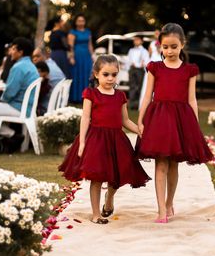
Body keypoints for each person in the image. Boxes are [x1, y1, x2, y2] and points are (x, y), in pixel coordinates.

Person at [59, 54, 149, 224]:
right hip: (97, 140)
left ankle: (109, 200)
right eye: (106, 74)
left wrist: (140, 131)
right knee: (97, 177)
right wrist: (83, 142)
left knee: (117, 176)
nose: (110, 78)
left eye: (114, 74)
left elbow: (125, 120)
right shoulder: (91, 94)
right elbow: (85, 118)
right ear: (96, 74)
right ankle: (95, 214)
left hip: (116, 140)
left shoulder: (120, 96)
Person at [137, 23, 213, 223]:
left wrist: (194, 125)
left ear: (182, 45)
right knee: (160, 163)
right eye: (165, 47)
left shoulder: (189, 70)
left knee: (173, 165)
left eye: (173, 46)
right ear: (160, 46)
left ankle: (170, 202)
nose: (169, 51)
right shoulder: (155, 68)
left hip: (180, 119)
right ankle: (161, 209)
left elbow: (192, 99)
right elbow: (147, 97)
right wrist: (140, 120)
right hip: (159, 120)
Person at [0, 37, 39, 151]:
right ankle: (9, 139)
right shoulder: (31, 66)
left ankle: (12, 135)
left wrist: (0, 100)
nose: (11, 52)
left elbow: (10, 93)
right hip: (27, 107)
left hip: (17, 107)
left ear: (21, 52)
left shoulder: (18, 67)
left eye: (14, 49)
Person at [68, 14, 94, 103]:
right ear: (75, 22)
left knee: (87, 75)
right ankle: (76, 98)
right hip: (77, 55)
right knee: (77, 75)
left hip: (86, 56)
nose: (81, 22)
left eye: (82, 20)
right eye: (79, 20)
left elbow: (90, 45)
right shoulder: (72, 32)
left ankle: (86, 97)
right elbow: (70, 46)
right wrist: (71, 57)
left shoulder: (88, 32)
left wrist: (92, 56)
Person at [126, 35, 150, 109]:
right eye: (134, 40)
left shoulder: (144, 51)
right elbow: (128, 60)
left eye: (137, 40)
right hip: (132, 69)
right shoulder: (131, 50)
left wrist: (140, 64)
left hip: (140, 70)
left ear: (141, 41)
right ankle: (132, 105)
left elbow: (146, 61)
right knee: (132, 86)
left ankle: (138, 104)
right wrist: (129, 69)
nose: (135, 41)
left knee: (139, 87)